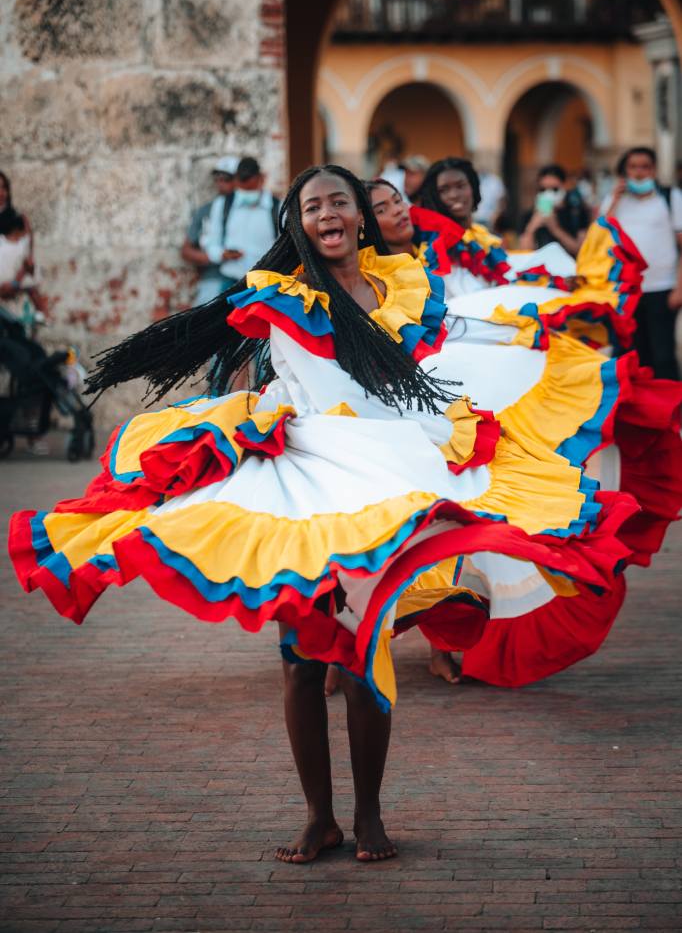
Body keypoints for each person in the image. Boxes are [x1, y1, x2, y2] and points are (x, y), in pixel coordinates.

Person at [9, 165, 671, 868]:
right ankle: (319, 817)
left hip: (385, 479)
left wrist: (472, 409)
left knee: (363, 654)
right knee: (300, 661)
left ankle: (368, 814)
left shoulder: (404, 287)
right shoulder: (283, 297)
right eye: (311, 204)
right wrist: (247, 419)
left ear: (361, 217)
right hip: (307, 486)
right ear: (297, 223)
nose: (327, 212)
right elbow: (253, 367)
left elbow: (424, 375)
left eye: (340, 202)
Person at [366, 173, 682, 687]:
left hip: (494, 395)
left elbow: (494, 298)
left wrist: (541, 312)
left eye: (397, 199)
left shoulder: (472, 246)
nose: (397, 210)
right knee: (436, 518)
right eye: (381, 207)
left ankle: (463, 636)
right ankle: (415, 642)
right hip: (429, 405)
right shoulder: (375, 274)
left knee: (493, 521)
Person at [600, 146, 682, 380]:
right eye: (633, 167)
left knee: (663, 355)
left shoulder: (670, 198)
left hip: (662, 288)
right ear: (625, 171)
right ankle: (638, 412)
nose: (638, 173)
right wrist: (614, 199)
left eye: (644, 167)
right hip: (626, 291)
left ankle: (671, 412)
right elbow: (600, 236)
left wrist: (679, 286)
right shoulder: (615, 200)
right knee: (630, 354)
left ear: (654, 170)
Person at [204, 156, 280, 289]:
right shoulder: (222, 205)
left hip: (266, 284)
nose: (247, 193)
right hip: (230, 282)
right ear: (236, 182)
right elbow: (212, 244)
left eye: (251, 189)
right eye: (243, 189)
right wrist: (223, 254)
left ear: (261, 179)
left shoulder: (278, 208)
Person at [180, 156, 239, 306]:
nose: (220, 183)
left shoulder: (252, 211)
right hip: (214, 278)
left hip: (245, 277)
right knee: (204, 325)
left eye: (226, 178)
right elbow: (186, 250)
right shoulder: (206, 211)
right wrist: (215, 255)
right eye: (217, 178)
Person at [0, 171, 46, 321]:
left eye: (3, 188)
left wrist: (15, 283)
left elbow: (29, 259)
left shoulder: (21, 221)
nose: (1, 193)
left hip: (19, 299)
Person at [518, 164, 590, 257]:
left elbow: (581, 251)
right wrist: (531, 228)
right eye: (543, 189)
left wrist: (555, 229)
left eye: (554, 189)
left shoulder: (577, 213)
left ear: (565, 186)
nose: (548, 193)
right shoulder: (529, 215)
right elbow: (524, 252)